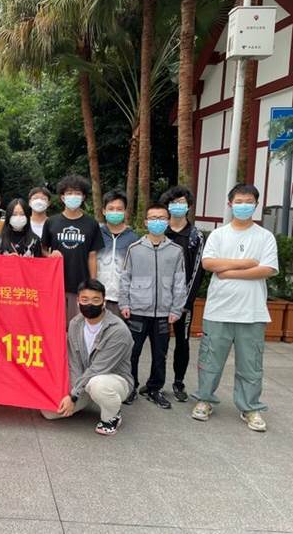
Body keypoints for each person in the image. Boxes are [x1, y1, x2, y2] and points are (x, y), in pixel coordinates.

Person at [191, 184, 278, 432]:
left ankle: (250, 407)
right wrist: (246, 263)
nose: (243, 206)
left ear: (256, 205)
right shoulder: (219, 235)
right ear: (230, 204)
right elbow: (209, 263)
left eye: (248, 202)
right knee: (210, 360)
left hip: (252, 312)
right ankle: (205, 400)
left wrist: (228, 272)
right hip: (218, 310)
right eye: (238, 201)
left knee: (251, 364)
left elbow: (268, 269)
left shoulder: (265, 237)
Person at [41, 279, 134, 436]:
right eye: (85, 300)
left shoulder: (118, 331)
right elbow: (74, 362)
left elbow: (99, 368)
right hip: (85, 380)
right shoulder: (75, 324)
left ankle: (112, 416)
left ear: (104, 302)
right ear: (78, 301)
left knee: (98, 385)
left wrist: (73, 396)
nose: (90, 304)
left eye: (95, 300)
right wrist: (73, 393)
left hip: (114, 380)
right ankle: (91, 398)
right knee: (49, 412)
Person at [119, 203, 187, 409]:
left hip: (164, 313)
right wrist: (124, 303)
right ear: (146, 222)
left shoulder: (176, 251)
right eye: (153, 218)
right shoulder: (135, 248)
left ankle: (154, 388)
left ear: (168, 221)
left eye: (162, 218)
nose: (157, 222)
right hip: (137, 311)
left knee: (160, 354)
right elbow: (125, 278)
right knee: (132, 352)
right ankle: (130, 386)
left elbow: (179, 282)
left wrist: (176, 309)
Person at [159, 186, 205, 402]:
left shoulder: (196, 236)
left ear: (188, 206)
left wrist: (186, 301)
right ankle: (156, 382)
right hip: (158, 299)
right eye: (173, 202)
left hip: (183, 301)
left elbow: (198, 271)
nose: (177, 206)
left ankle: (179, 382)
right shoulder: (160, 232)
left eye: (181, 203)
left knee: (182, 341)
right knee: (159, 342)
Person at [41, 174, 104, 327]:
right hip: (56, 284)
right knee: (56, 325)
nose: (73, 196)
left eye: (77, 193)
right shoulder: (51, 222)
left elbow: (92, 255)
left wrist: (92, 283)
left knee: (78, 326)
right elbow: (43, 249)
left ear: (83, 197)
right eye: (69, 193)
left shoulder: (91, 223)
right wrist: (50, 256)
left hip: (80, 285)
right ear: (62, 197)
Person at [97, 189, 139, 317]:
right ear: (104, 211)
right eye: (111, 208)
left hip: (121, 301)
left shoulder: (134, 239)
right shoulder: (96, 235)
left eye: (119, 209)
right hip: (97, 297)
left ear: (125, 211)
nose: (115, 212)